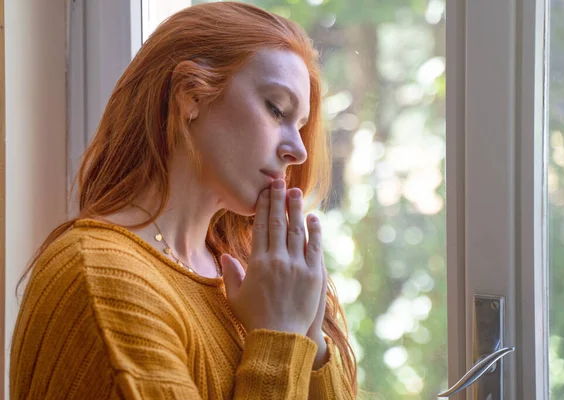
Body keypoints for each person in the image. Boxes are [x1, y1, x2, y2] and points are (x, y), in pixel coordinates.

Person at [9, 2, 358, 399]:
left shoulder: (257, 282)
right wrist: (279, 338)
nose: (299, 150)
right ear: (191, 95)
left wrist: (308, 337)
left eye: (300, 125)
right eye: (277, 109)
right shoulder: (101, 279)